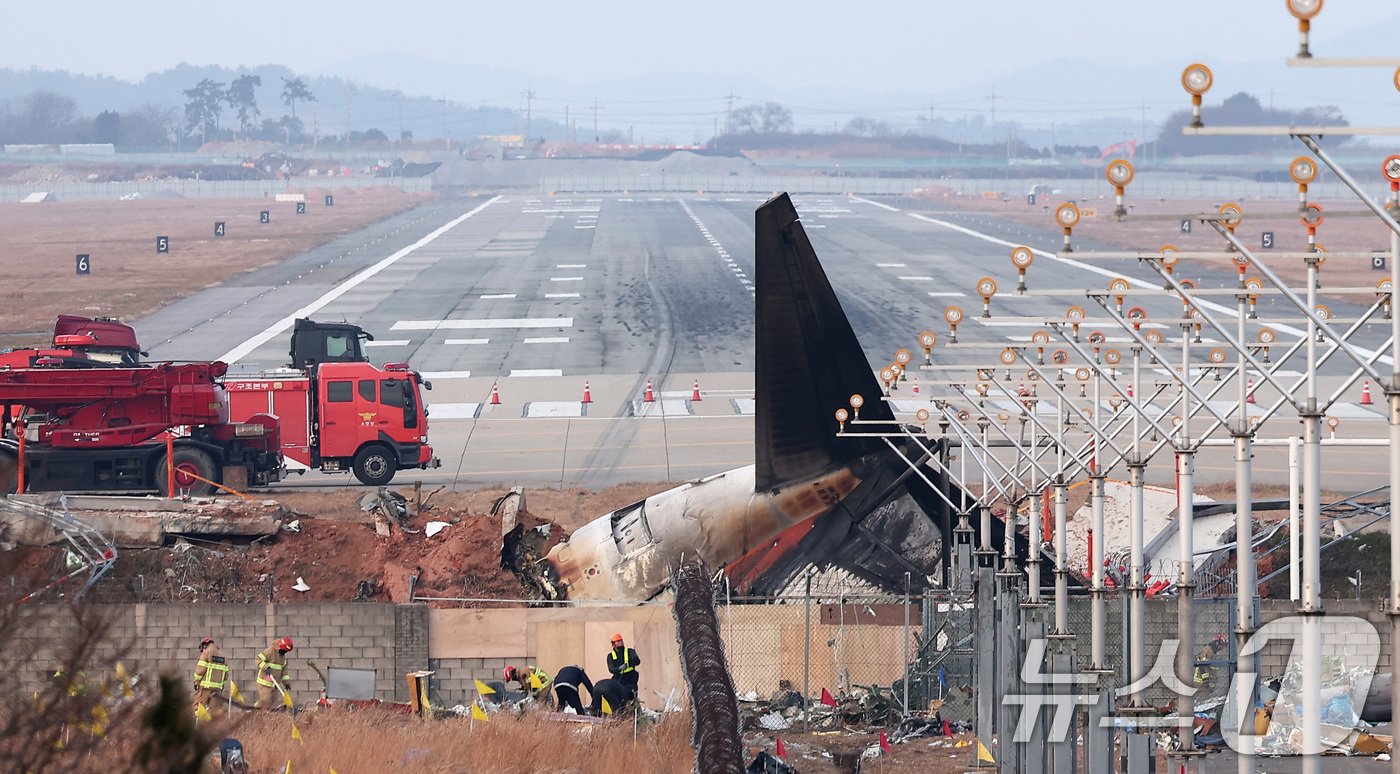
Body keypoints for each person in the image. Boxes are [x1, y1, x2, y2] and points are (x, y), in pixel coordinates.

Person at [254, 636, 294, 710]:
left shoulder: (282, 657)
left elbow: (284, 671)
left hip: (275, 684)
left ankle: (268, 717)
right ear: (280, 647)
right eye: (284, 650)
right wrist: (266, 667)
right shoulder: (270, 651)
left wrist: (286, 683)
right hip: (264, 682)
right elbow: (258, 659)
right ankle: (254, 710)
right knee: (265, 700)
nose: (284, 653)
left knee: (274, 702)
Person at [192, 637, 230, 713]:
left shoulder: (206, 653)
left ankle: (196, 724)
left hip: (206, 687)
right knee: (214, 711)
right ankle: (214, 724)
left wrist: (196, 681)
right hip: (217, 688)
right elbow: (226, 675)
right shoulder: (223, 656)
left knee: (197, 707)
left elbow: (200, 671)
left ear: (205, 645)